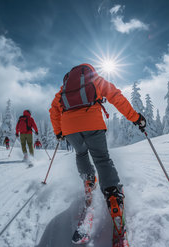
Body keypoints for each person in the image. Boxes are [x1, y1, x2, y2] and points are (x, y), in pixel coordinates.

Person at [49, 63, 146, 243]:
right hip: (92, 123)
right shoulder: (95, 80)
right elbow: (116, 97)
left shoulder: (63, 90)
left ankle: (88, 181)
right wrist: (136, 118)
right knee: (102, 159)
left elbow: (53, 110)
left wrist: (59, 132)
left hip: (70, 128)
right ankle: (113, 197)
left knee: (81, 154)